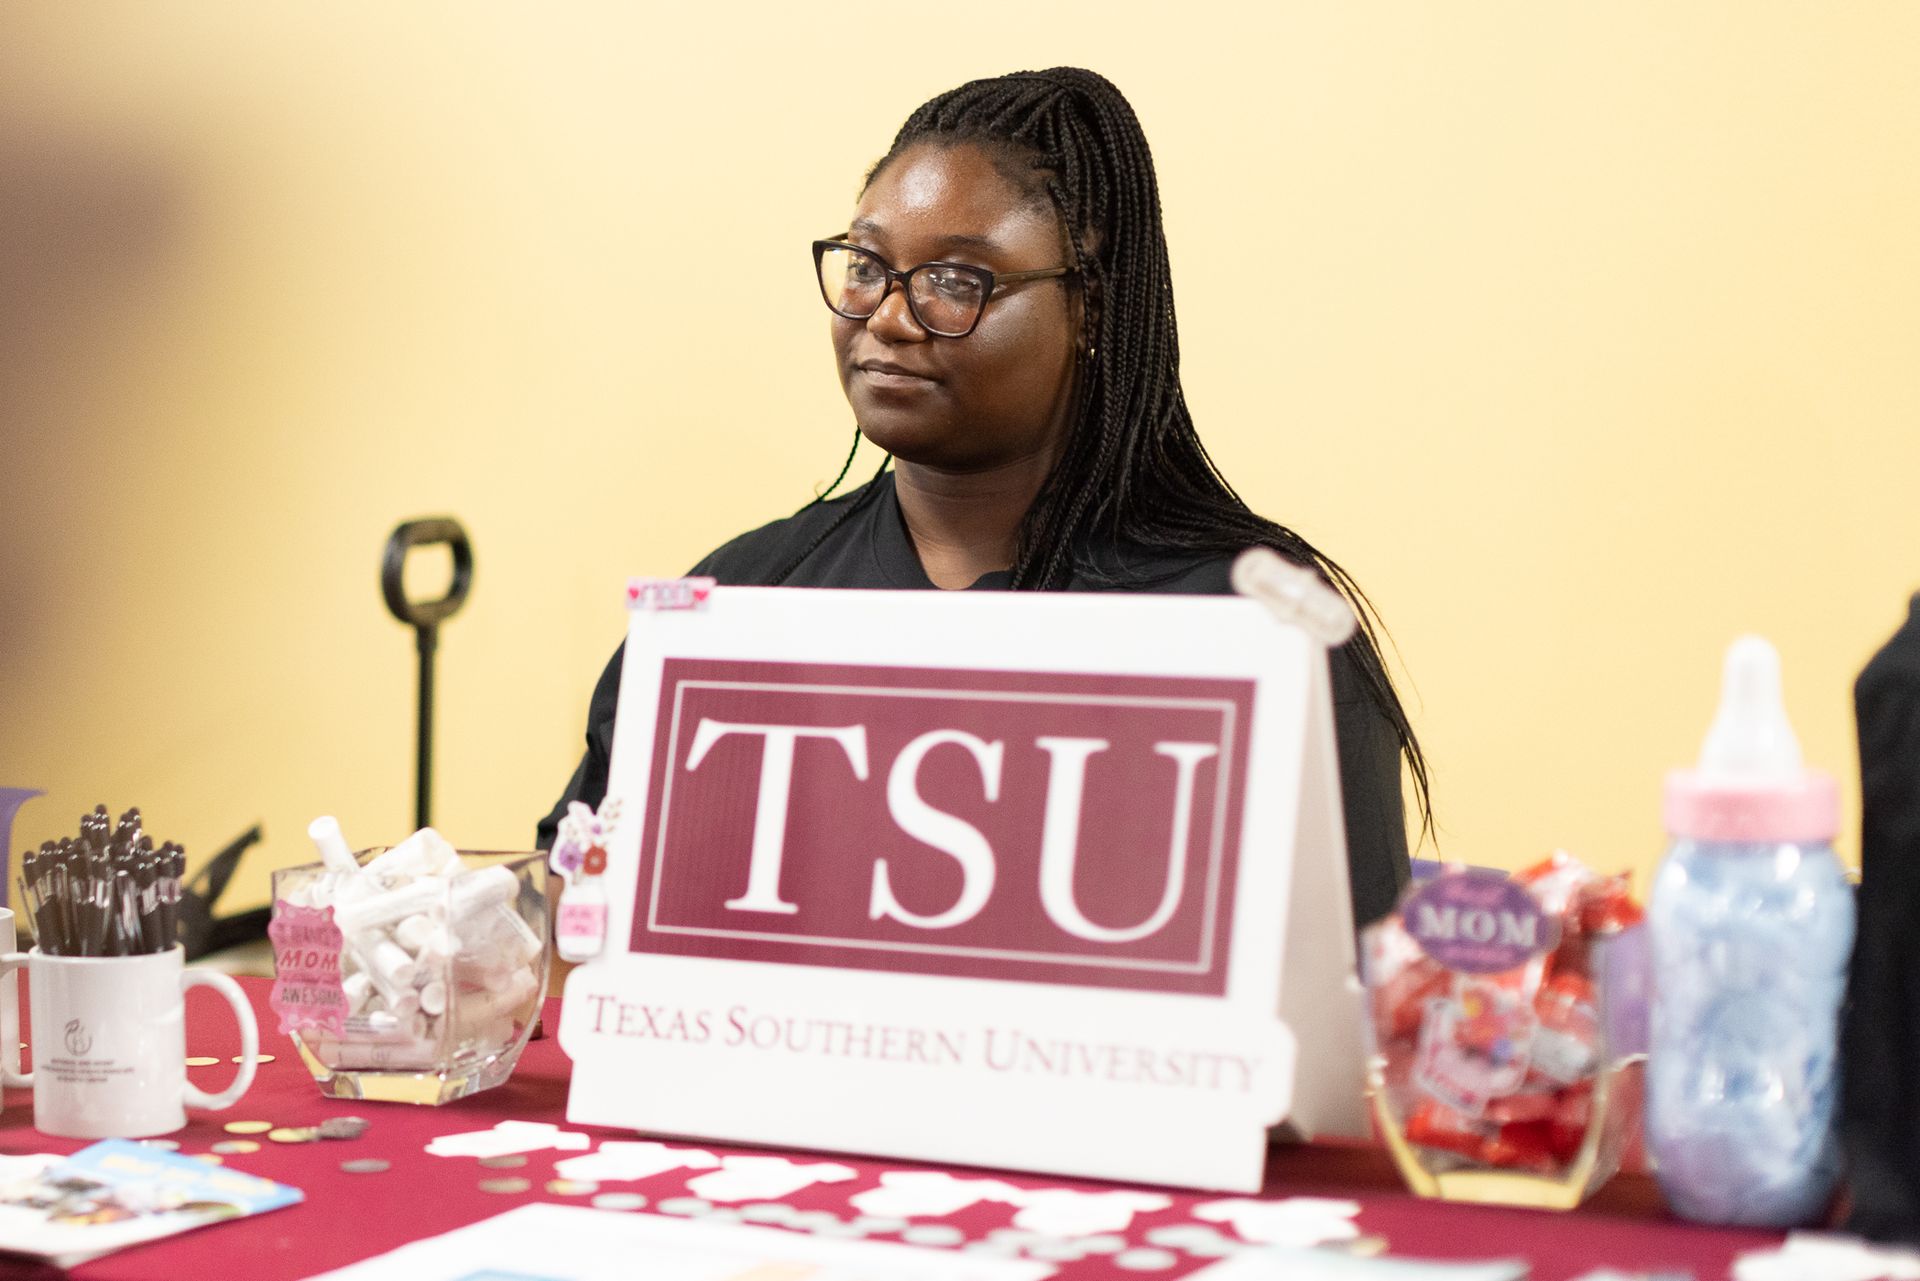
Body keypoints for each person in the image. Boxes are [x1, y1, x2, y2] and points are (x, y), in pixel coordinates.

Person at [540, 67, 1428, 925]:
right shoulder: (738, 600)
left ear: (1092, 307)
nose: (887, 315)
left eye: (957, 281)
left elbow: (1358, 1009)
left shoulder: (1249, 623)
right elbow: (571, 909)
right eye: (866, 264)